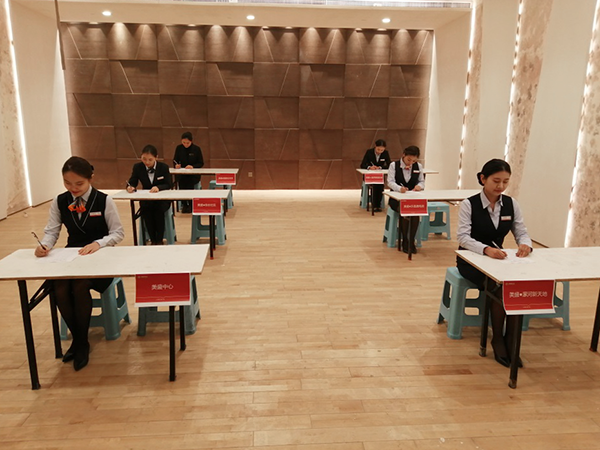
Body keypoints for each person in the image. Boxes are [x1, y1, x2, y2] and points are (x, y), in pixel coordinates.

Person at [34, 157, 124, 371]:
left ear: (90, 178)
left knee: (79, 285)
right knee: (59, 286)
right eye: (67, 183)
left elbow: (118, 233)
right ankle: (80, 340)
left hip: (101, 258)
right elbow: (52, 231)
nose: (73, 188)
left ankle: (80, 343)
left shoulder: (104, 200)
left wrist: (98, 243)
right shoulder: (59, 201)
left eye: (79, 184)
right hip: (72, 256)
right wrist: (44, 245)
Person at [456, 158, 532, 368]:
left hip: (499, 260)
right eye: (496, 181)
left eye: (505, 182)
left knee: (517, 288)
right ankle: (497, 338)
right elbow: (463, 237)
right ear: (483, 179)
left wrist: (525, 244)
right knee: (499, 289)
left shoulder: (511, 204)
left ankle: (511, 339)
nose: (500, 186)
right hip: (471, 260)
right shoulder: (469, 204)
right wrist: (485, 249)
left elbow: (521, 231)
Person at [127, 145, 172, 245]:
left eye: (150, 160)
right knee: (146, 212)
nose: (147, 162)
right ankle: (152, 239)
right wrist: (130, 187)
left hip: (162, 199)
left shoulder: (163, 167)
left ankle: (159, 240)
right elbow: (133, 181)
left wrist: (158, 188)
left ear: (156, 157)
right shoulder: (138, 167)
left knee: (158, 211)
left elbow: (168, 184)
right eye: (144, 159)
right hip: (147, 199)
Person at [387, 145, 425, 254]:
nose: (410, 163)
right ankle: (405, 240)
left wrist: (419, 186)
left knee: (415, 212)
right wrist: (399, 188)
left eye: (414, 161)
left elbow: (421, 181)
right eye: (409, 160)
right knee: (405, 212)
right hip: (396, 199)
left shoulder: (419, 166)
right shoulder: (394, 165)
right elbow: (390, 182)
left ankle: (411, 240)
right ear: (403, 155)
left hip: (412, 198)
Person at [173, 131, 204, 213]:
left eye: (187, 143)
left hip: (192, 175)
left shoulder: (196, 149)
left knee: (190, 185)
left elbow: (201, 163)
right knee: (181, 185)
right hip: (182, 174)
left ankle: (191, 204)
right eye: (184, 142)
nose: (185, 144)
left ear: (191, 141)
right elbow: (175, 160)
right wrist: (177, 165)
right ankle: (184, 204)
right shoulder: (179, 148)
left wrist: (192, 166)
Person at [360, 139, 391, 212]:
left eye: (382, 150)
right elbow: (362, 165)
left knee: (380, 186)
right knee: (374, 186)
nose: (379, 151)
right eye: (378, 149)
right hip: (369, 175)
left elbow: (390, 165)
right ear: (375, 146)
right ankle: (375, 204)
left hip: (380, 175)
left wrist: (380, 167)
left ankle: (377, 205)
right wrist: (369, 167)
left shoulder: (385, 153)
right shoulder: (369, 152)